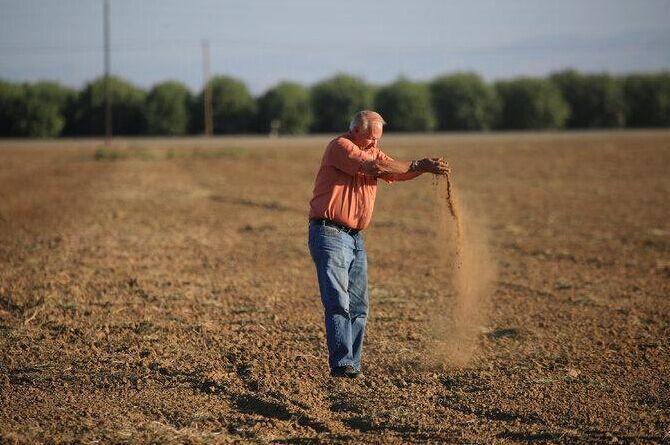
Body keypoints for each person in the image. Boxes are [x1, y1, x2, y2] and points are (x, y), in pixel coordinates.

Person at [307, 110, 451, 378]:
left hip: (355, 237)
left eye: (378, 139)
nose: (374, 144)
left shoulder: (373, 151)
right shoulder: (340, 146)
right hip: (329, 234)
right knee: (338, 301)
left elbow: (395, 170)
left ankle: (353, 364)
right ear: (355, 131)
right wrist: (419, 164)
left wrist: (423, 168)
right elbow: (375, 168)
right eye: (370, 139)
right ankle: (342, 364)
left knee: (359, 306)